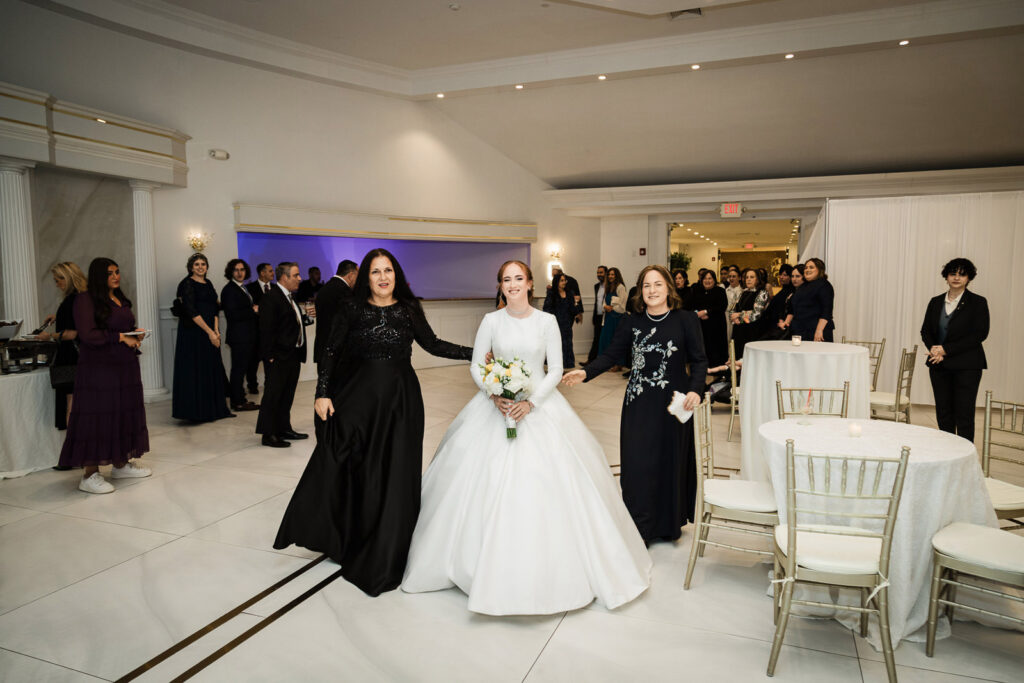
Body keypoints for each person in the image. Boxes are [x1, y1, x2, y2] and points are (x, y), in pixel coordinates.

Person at [401, 260, 650, 614]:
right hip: (495, 405)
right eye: (507, 279)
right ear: (500, 286)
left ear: (530, 283)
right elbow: (477, 363)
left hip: (538, 406)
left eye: (519, 278)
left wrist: (530, 403)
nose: (513, 284)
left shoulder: (546, 321)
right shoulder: (491, 321)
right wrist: (492, 392)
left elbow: (556, 369)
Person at [274, 248, 473, 596]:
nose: (383, 277)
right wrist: (322, 393)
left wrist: (477, 352)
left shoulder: (409, 309)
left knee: (395, 469)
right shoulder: (351, 308)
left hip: (400, 400)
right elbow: (331, 352)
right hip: (357, 399)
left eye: (388, 271)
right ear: (366, 276)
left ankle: (389, 542)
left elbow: (434, 344)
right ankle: (348, 534)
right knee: (351, 463)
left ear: (396, 275)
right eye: (376, 271)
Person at [563, 265, 708, 544]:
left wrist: (696, 391)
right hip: (639, 404)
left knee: (669, 462)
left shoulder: (686, 320)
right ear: (640, 291)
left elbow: (699, 360)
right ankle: (639, 525)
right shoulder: (632, 322)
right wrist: (587, 372)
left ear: (668, 287)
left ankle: (667, 525)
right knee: (638, 463)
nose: (652, 291)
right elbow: (611, 355)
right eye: (646, 286)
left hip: (673, 407)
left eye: (657, 284)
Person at [57, 258, 151, 494]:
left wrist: (135, 334)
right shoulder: (84, 300)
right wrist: (121, 337)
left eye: (117, 272)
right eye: (110, 273)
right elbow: (89, 335)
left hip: (125, 366)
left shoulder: (119, 298)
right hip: (99, 369)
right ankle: (89, 474)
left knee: (122, 412)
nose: (115, 276)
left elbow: (120, 328)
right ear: (99, 276)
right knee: (97, 416)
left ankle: (120, 464)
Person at [921, 258, 989, 443]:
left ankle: (965, 456)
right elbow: (925, 331)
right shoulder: (935, 302)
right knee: (943, 412)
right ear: (946, 277)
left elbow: (979, 334)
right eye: (953, 273)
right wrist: (935, 351)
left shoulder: (978, 302)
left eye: (962, 274)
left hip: (967, 366)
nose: (957, 277)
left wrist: (946, 350)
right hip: (938, 364)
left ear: (969, 278)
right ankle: (947, 452)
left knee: (964, 413)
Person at [172, 253, 233, 422]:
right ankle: (197, 412)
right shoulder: (186, 284)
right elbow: (191, 312)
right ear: (191, 267)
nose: (200, 267)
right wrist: (209, 332)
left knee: (211, 369)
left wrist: (216, 331)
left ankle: (214, 409)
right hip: (194, 333)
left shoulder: (209, 283)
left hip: (210, 332)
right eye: (197, 264)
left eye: (203, 264)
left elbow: (215, 308)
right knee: (196, 369)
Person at [255, 262, 309, 448]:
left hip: (292, 354)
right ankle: (268, 434)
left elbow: (289, 323)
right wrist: (269, 355)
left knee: (287, 395)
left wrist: (305, 319)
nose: (300, 278)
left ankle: (284, 428)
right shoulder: (272, 297)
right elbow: (266, 329)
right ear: (284, 277)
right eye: (296, 275)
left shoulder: (289, 297)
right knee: (273, 396)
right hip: (278, 356)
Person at [38, 261, 87, 431]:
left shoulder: (71, 300)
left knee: (71, 404)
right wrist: (58, 316)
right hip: (82, 356)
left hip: (71, 356)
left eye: (58, 280)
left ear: (67, 278)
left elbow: (72, 333)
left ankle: (73, 450)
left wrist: (48, 336)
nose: (57, 284)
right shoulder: (83, 297)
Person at [220, 258, 260, 412]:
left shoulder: (242, 288)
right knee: (238, 370)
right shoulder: (229, 290)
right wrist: (253, 310)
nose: (239, 272)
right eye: (236, 270)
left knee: (241, 369)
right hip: (239, 337)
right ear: (231, 272)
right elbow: (232, 314)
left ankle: (240, 399)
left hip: (246, 335)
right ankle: (237, 402)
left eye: (242, 269)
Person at [314, 259, 357, 366]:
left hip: (323, 347)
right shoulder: (344, 292)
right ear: (351, 275)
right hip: (337, 353)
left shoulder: (325, 288)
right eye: (358, 275)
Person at [685, 270, 728, 368]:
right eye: (705, 278)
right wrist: (697, 313)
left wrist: (706, 312)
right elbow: (689, 306)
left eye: (710, 278)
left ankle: (717, 372)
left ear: (714, 280)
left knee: (716, 352)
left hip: (716, 327)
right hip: (700, 326)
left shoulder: (720, 291)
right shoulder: (696, 291)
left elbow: (722, 306)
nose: (707, 281)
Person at [543, 270, 583, 369]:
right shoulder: (551, 293)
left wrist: (576, 303)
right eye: (562, 280)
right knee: (555, 344)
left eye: (565, 280)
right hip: (555, 323)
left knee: (567, 343)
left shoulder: (570, 293)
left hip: (567, 323)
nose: (564, 282)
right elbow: (546, 308)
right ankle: (555, 364)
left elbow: (573, 310)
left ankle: (567, 364)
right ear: (557, 282)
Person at [787, 257, 835, 341]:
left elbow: (826, 312)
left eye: (811, 267)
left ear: (820, 270)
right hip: (800, 332)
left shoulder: (824, 285)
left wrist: (819, 330)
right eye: (806, 267)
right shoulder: (803, 286)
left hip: (816, 332)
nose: (807, 269)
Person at [245, 262, 274, 394]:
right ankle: (252, 385)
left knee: (270, 360)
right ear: (262, 273)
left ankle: (270, 384)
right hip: (255, 330)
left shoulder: (275, 288)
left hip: (271, 332)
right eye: (270, 271)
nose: (273, 273)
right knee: (253, 361)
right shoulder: (249, 288)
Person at [729, 268, 770, 358]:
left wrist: (739, 316)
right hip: (738, 330)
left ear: (758, 279)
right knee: (737, 357)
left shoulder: (762, 293)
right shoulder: (743, 292)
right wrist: (733, 318)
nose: (748, 279)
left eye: (752, 277)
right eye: (747, 277)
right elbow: (732, 309)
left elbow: (756, 314)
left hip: (753, 331)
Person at [597, 267, 627, 369]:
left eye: (612, 274)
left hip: (617, 319)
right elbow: (605, 301)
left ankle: (618, 364)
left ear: (617, 275)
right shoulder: (608, 287)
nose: (610, 276)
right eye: (609, 274)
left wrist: (612, 308)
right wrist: (605, 306)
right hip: (609, 318)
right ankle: (606, 363)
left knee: (616, 342)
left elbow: (623, 306)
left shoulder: (620, 287)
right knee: (605, 340)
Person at [759, 264, 794, 339]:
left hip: (780, 327)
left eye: (785, 275)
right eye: (780, 274)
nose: (781, 277)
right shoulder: (783, 291)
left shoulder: (792, 292)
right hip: (773, 326)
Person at [583, 264, 607, 365]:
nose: (599, 274)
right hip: (597, 316)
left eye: (601, 272)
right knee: (596, 338)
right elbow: (597, 302)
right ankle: (591, 360)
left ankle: (603, 361)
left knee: (605, 338)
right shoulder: (596, 286)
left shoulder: (610, 286)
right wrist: (594, 316)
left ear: (606, 273)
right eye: (598, 272)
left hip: (607, 316)